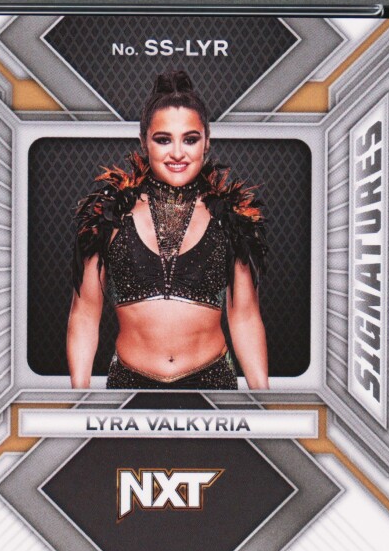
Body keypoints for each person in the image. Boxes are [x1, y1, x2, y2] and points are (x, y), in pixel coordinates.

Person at [67, 70, 269, 389]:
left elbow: (244, 317)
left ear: (207, 142)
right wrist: (79, 398)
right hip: (130, 385)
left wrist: (264, 400)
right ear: (144, 142)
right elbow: (84, 314)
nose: (177, 153)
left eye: (190, 139)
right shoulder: (108, 215)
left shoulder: (231, 219)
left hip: (212, 384)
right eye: (163, 139)